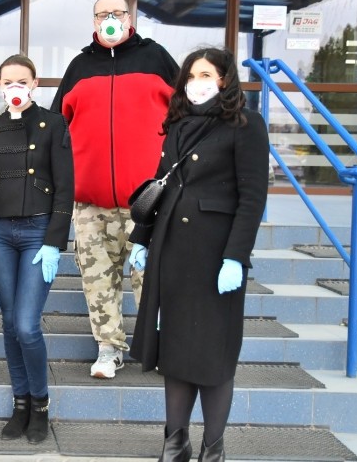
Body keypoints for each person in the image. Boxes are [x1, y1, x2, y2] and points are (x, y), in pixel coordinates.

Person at [128, 47, 269, 462]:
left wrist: (236, 257)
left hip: (215, 256)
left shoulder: (246, 125)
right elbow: (162, 185)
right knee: (175, 352)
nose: (196, 82)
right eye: (190, 75)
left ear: (225, 79)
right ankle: (175, 443)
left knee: (213, 355)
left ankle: (213, 448)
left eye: (205, 74)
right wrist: (141, 238)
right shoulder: (178, 124)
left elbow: (252, 198)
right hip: (171, 251)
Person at [50, 0, 178, 379]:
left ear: (129, 17)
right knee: (98, 280)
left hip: (149, 200)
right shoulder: (80, 66)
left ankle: (159, 349)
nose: (110, 19)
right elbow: (59, 127)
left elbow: (186, 116)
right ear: (94, 20)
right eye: (103, 14)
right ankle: (109, 350)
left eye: (117, 13)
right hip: (90, 203)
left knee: (151, 279)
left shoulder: (156, 58)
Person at [0, 54, 74, 444]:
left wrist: (54, 241)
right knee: (10, 322)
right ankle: (20, 404)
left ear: (34, 83)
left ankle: (40, 404)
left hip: (36, 233)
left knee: (27, 325)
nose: (14, 87)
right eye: (7, 81)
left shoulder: (53, 123)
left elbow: (66, 187)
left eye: (21, 81)